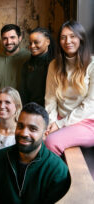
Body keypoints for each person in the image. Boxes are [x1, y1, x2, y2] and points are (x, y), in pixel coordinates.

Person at [0, 102, 70, 203]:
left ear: (45, 134)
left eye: (33, 129)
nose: (24, 133)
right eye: (20, 126)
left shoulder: (57, 169)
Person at [45, 20, 94, 156]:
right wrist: (52, 122)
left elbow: (90, 105)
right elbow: (50, 100)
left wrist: (60, 125)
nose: (68, 41)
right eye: (63, 37)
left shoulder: (92, 64)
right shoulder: (54, 65)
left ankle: (60, 177)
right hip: (60, 118)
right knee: (36, 138)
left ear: (81, 38)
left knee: (50, 142)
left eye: (72, 36)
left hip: (87, 121)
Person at [0, 24, 30, 106]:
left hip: (24, 106)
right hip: (2, 106)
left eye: (12, 37)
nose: (9, 42)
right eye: (5, 38)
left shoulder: (29, 57)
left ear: (19, 38)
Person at [20, 27, 55, 106]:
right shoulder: (27, 66)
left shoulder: (55, 64)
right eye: (30, 43)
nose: (32, 46)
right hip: (32, 110)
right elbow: (23, 95)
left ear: (48, 42)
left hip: (51, 111)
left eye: (36, 42)